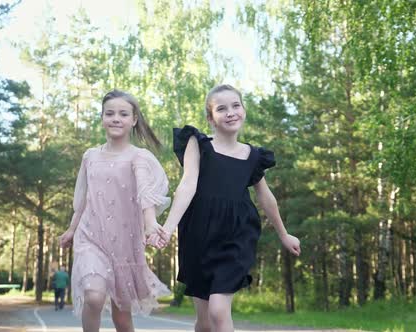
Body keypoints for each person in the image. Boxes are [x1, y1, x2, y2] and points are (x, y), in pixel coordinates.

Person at [149, 84, 301, 332]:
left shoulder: (253, 156)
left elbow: (266, 197)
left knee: (219, 311)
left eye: (235, 106)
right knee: (205, 321)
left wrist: (284, 234)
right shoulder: (198, 144)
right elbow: (187, 185)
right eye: (221, 109)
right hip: (199, 235)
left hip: (237, 235)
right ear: (211, 118)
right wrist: (167, 227)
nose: (230, 112)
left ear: (244, 110)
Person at [59, 90, 171, 332]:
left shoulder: (139, 157)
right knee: (94, 296)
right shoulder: (90, 156)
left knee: (122, 319)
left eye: (123, 114)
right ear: (102, 118)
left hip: (125, 244)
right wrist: (71, 229)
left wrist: (150, 223)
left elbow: (145, 194)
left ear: (134, 120)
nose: (116, 118)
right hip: (91, 238)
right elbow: (82, 199)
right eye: (109, 113)